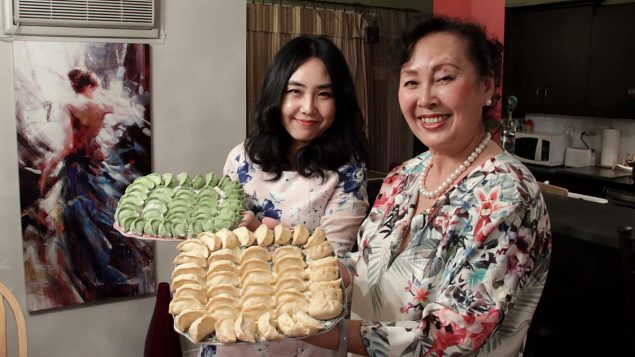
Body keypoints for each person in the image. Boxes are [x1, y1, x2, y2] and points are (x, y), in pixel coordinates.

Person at [304, 16, 552, 356]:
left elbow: (446, 341)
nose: (425, 98)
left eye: (445, 78)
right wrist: (302, 273)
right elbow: (362, 267)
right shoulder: (403, 177)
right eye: (411, 82)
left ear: (486, 86)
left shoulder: (508, 196)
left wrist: (319, 333)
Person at [202, 35, 369, 356]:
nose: (308, 107)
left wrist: (264, 237)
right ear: (276, 93)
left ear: (340, 101)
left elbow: (331, 270)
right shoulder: (242, 157)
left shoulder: (347, 172)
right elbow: (219, 247)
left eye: (324, 94)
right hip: (234, 327)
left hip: (301, 334)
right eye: (295, 91)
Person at [36, 68, 153, 302]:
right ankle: (114, 272)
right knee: (100, 214)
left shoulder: (69, 106)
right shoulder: (99, 107)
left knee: (80, 222)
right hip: (93, 166)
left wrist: (48, 169)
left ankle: (101, 277)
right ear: (90, 85)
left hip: (76, 169)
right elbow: (125, 116)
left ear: (73, 85)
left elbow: (70, 145)